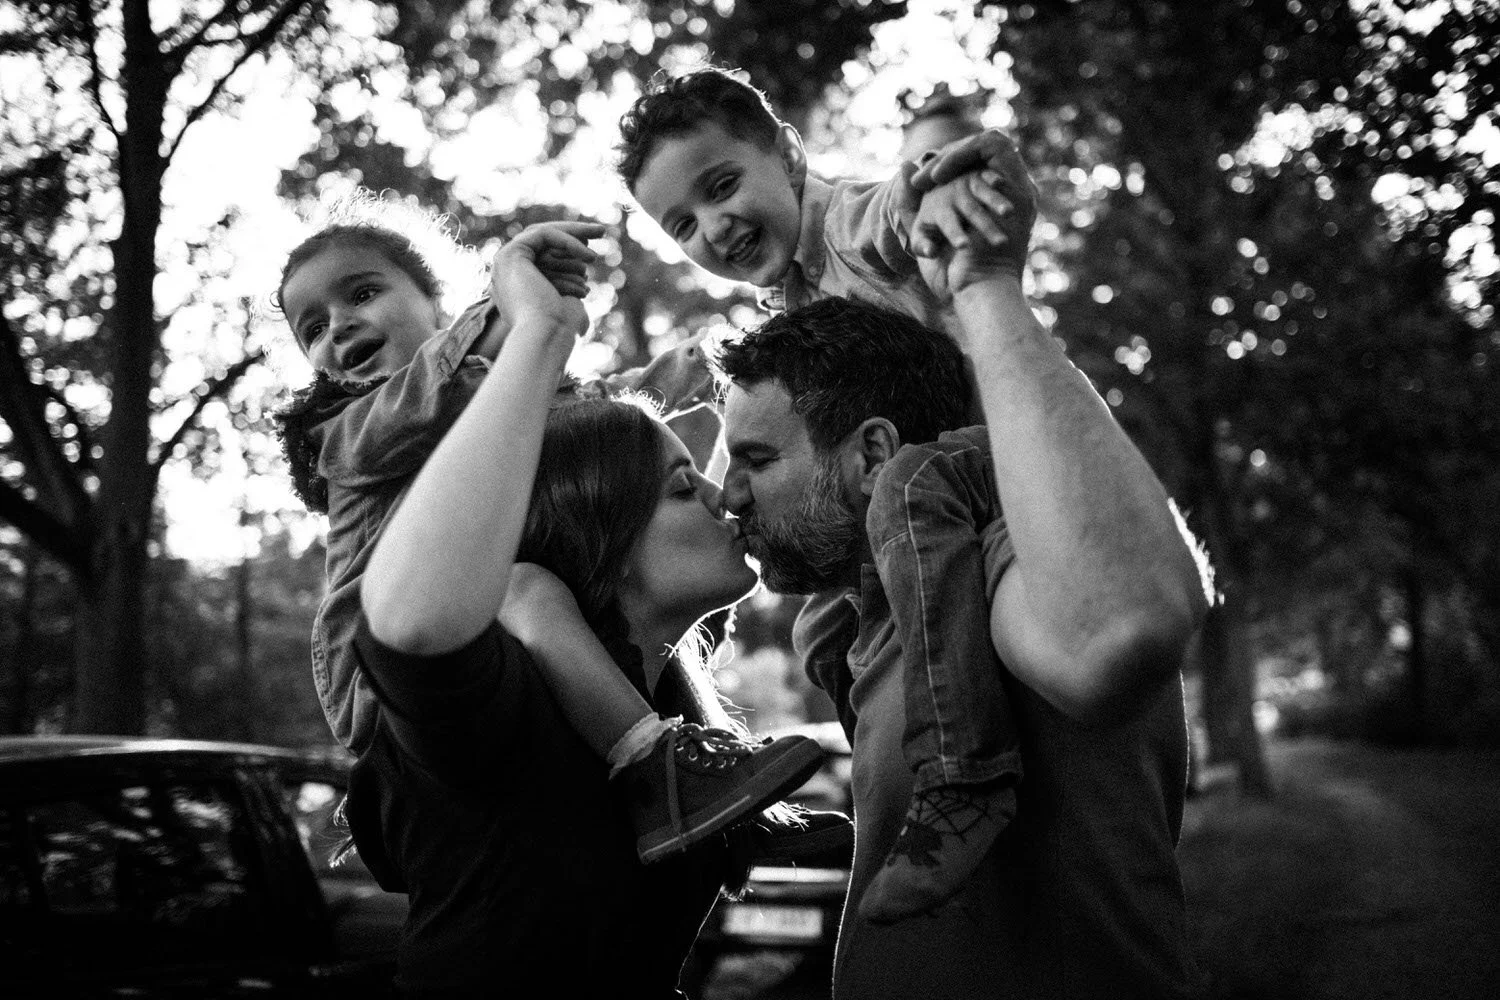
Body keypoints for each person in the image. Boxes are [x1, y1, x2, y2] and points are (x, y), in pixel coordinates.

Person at [715, 133, 1210, 998]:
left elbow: (1122, 629)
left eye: (755, 460)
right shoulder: (863, 625)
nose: (728, 495)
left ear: (874, 454)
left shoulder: (996, 573)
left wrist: (983, 286)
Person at [272, 195, 826, 863]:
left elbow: (592, 416)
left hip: (494, 638)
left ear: (433, 301)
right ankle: (652, 766)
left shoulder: (492, 387)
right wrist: (508, 314)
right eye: (312, 327)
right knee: (529, 583)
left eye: (361, 292)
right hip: (390, 670)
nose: (339, 325)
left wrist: (696, 362)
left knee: (621, 622)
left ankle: (730, 812)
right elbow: (422, 398)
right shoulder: (343, 425)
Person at [338, 224, 798, 995]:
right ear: (603, 537)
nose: (724, 499)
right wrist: (541, 332)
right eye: (685, 488)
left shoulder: (661, 692)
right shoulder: (502, 705)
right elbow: (411, 626)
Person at [616, 66, 1018, 330]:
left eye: (722, 188)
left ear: (789, 158)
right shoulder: (782, 305)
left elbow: (896, 205)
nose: (714, 228)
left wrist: (936, 191)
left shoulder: (849, 224)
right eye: (684, 226)